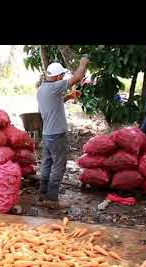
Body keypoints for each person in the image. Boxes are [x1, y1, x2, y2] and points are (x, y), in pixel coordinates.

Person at [37, 57, 89, 209]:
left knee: (46, 164)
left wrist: (69, 97)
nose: (62, 78)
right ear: (57, 76)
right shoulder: (55, 86)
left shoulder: (42, 90)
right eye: (61, 76)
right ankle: (52, 199)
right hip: (57, 135)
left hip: (47, 134)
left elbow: (54, 103)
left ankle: (43, 194)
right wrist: (83, 62)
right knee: (58, 166)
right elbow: (78, 77)